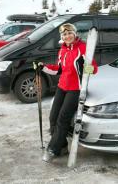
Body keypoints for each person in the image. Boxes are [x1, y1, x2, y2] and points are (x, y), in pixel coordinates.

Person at [34, 23, 98, 162]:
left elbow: (94, 69)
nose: (67, 36)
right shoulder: (62, 50)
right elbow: (59, 69)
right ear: (62, 37)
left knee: (63, 118)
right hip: (62, 87)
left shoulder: (82, 48)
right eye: (64, 34)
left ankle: (52, 149)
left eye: (69, 33)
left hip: (76, 89)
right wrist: (43, 67)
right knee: (53, 117)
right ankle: (62, 146)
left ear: (75, 34)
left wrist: (88, 68)